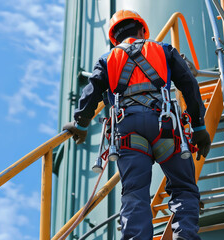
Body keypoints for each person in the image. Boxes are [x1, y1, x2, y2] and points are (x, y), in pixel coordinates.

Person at [63, 9, 211, 240]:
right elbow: (189, 85)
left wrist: (80, 123)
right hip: (165, 126)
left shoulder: (107, 59)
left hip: (128, 132)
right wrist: (199, 128)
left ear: (114, 38)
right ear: (142, 29)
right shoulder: (163, 49)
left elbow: (91, 91)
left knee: (134, 193)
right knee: (183, 188)